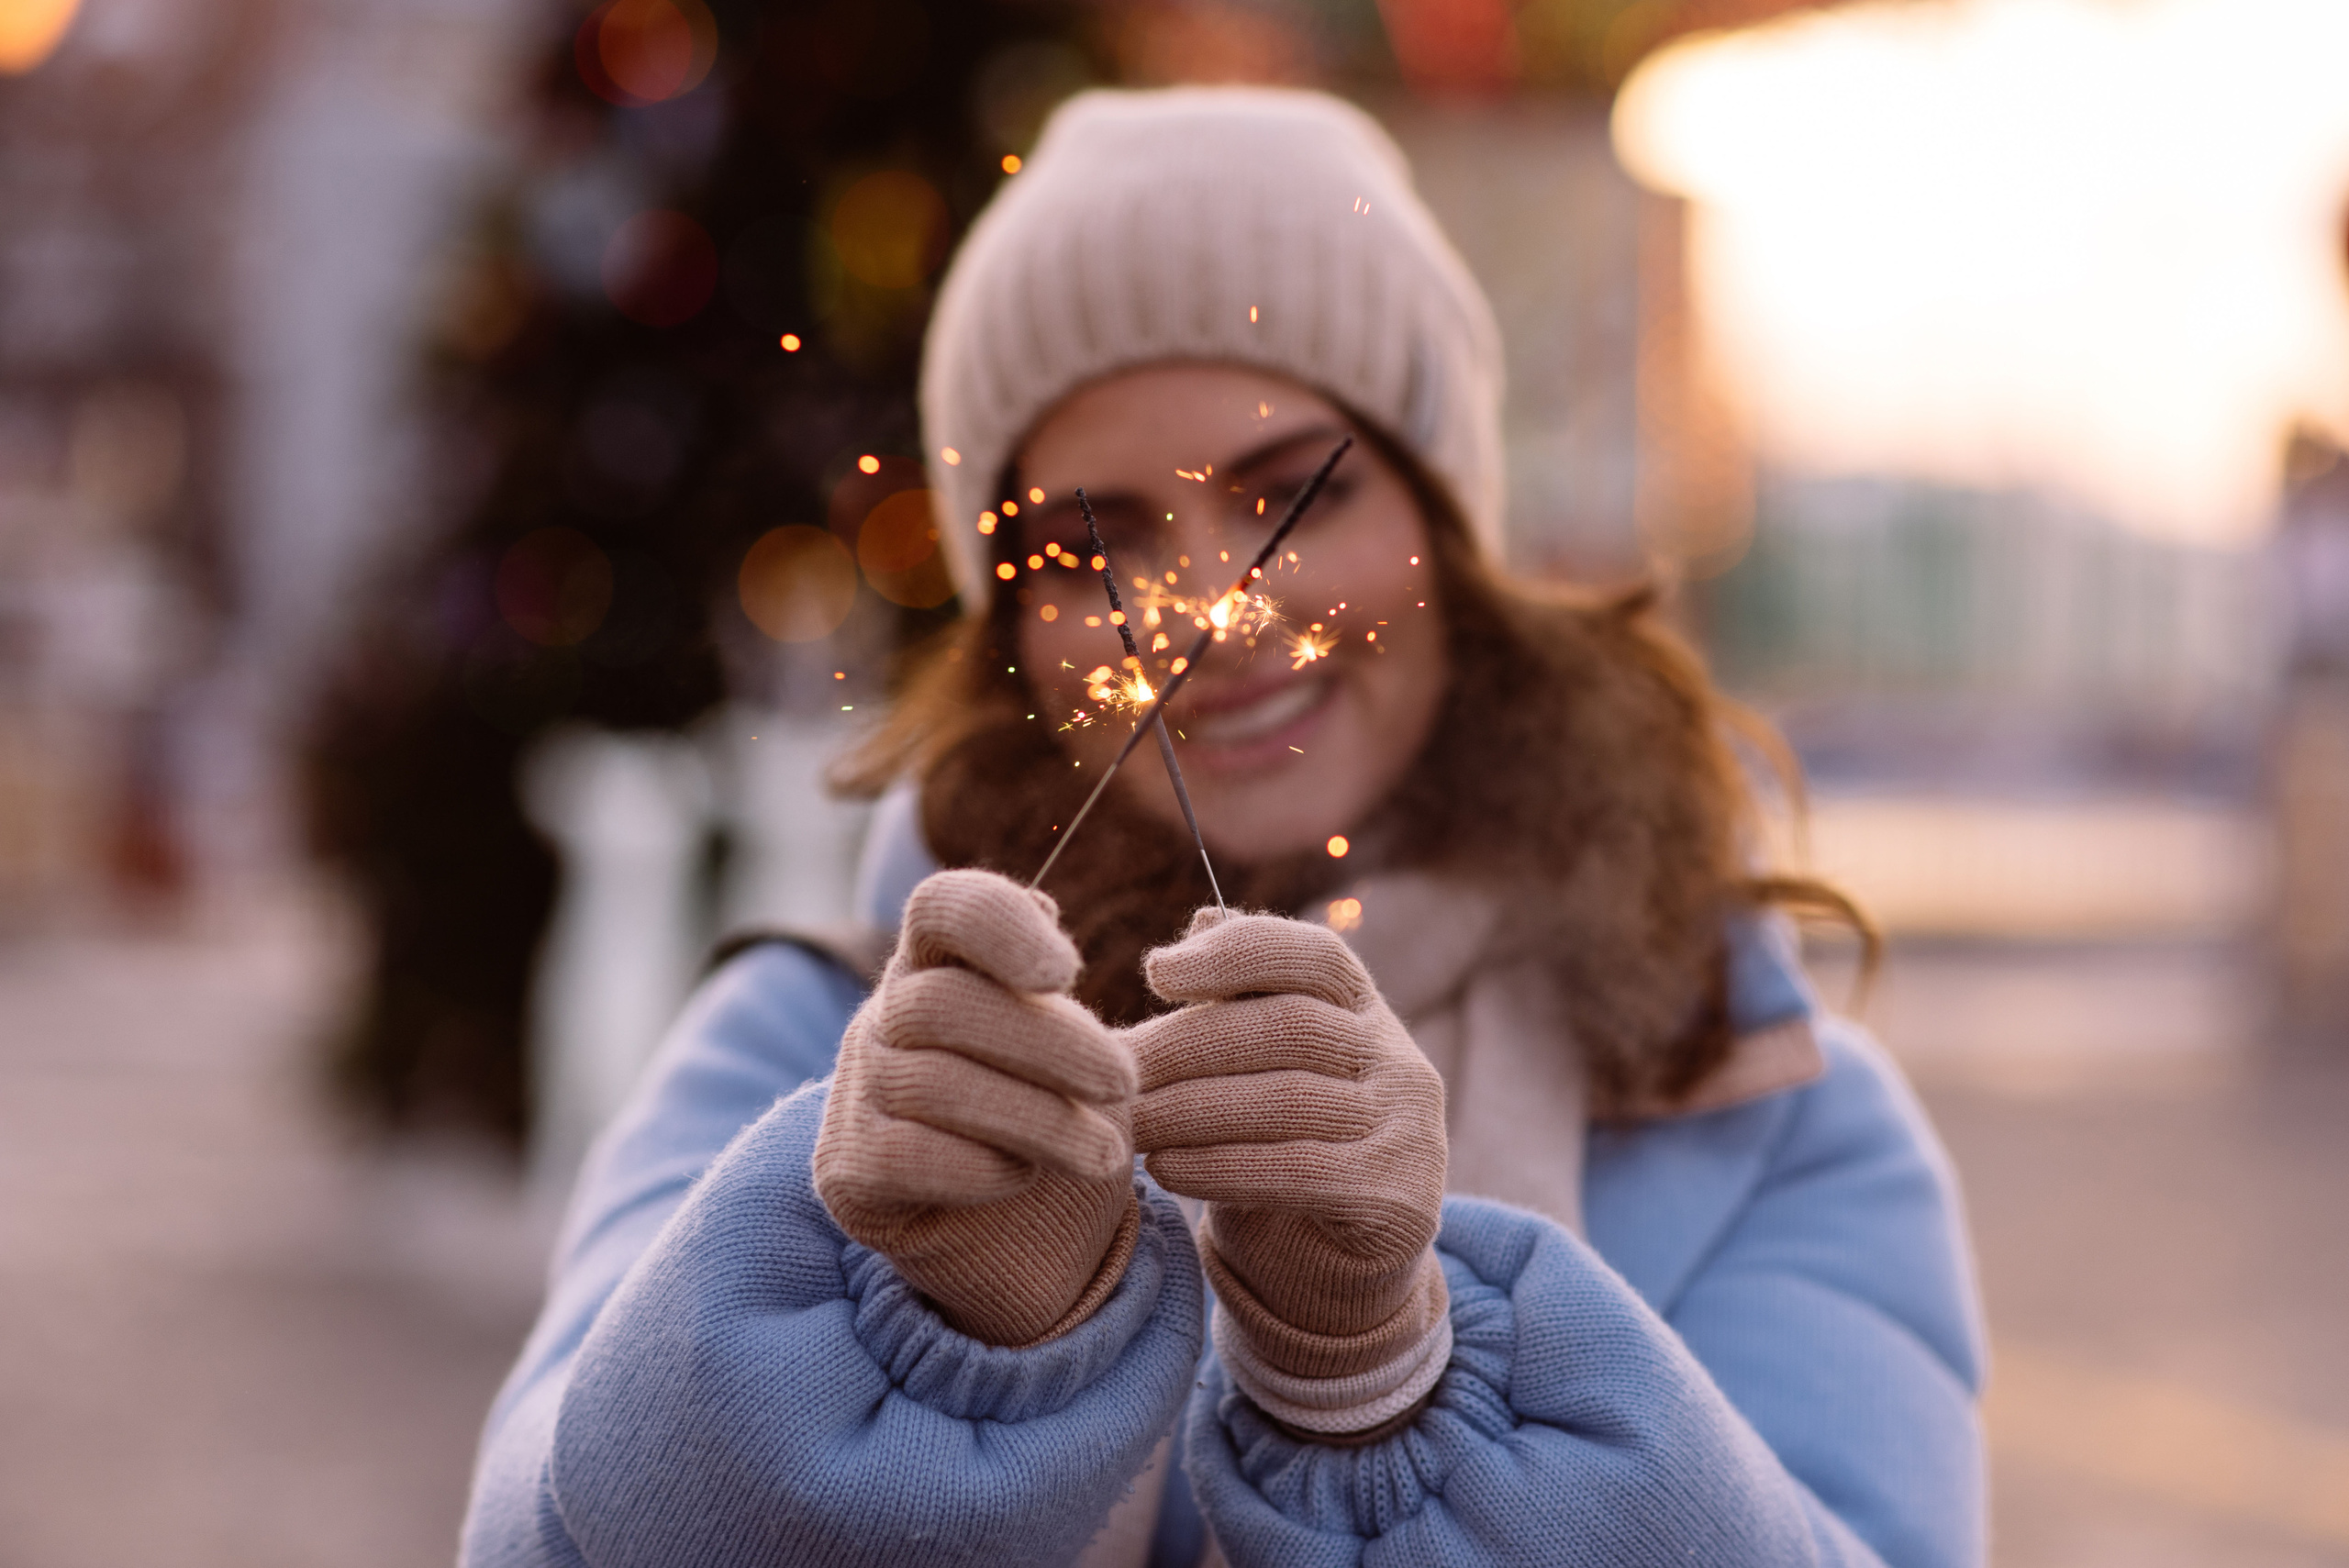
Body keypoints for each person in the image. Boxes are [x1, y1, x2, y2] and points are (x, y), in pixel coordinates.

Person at [460, 87, 1984, 1568]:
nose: (1212, 615)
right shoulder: (804, 1051)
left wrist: (1391, 1376)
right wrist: (931, 1329)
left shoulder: (1759, 1101)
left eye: (1290, 499)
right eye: (1088, 544)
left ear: (1445, 527)